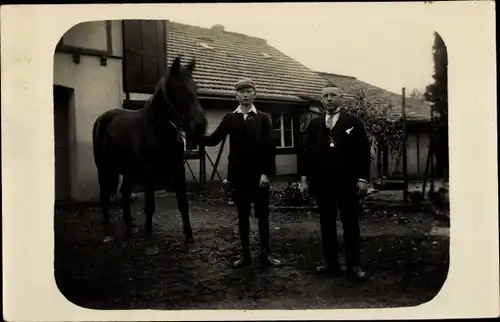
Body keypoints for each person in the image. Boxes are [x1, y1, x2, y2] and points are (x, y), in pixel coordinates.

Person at [202, 78, 283, 269]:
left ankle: (266, 254)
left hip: (259, 177)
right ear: (235, 95)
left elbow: (270, 147)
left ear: (255, 94)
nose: (245, 95)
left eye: (248, 91)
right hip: (239, 177)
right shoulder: (230, 118)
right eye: (242, 92)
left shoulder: (263, 118)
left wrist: (266, 174)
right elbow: (214, 139)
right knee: (243, 215)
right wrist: (193, 135)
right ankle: (245, 255)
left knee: (263, 215)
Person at [299, 83, 370, 280]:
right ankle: (331, 262)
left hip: (347, 182)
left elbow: (363, 153)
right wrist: (304, 179)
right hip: (323, 182)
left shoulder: (353, 122)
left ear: (341, 99)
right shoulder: (315, 124)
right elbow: (308, 154)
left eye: (333, 95)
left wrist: (363, 179)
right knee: (326, 222)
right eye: (325, 96)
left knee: (350, 222)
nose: (329, 99)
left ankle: (354, 265)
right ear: (322, 100)